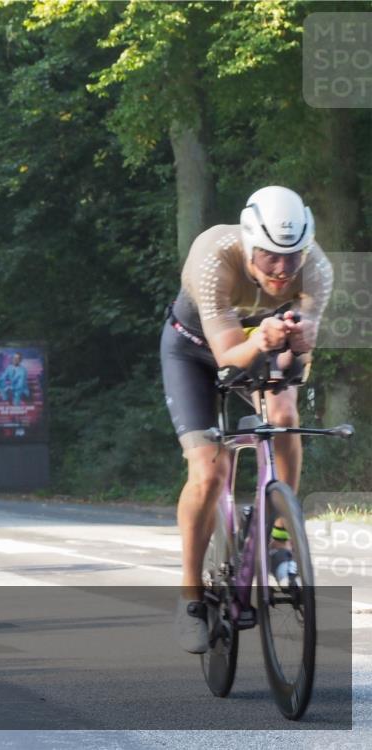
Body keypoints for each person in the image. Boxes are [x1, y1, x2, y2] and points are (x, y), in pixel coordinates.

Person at [161, 186, 333, 653]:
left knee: (283, 413)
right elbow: (227, 358)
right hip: (195, 353)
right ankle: (191, 595)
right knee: (209, 472)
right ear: (249, 242)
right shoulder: (213, 256)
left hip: (264, 343)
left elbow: (297, 363)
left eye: (292, 256)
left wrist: (296, 348)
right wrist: (262, 341)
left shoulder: (316, 268)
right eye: (269, 256)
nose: (282, 269)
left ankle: (279, 538)